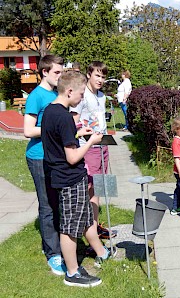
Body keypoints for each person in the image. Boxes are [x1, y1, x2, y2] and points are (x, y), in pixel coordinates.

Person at [41, 71, 114, 287]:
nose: (82, 98)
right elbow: (72, 157)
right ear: (70, 91)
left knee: (83, 219)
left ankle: (101, 252)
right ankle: (72, 273)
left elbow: (59, 140)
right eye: (81, 94)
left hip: (67, 176)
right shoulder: (63, 117)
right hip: (69, 178)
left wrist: (78, 132)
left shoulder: (51, 112)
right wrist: (91, 140)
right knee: (70, 227)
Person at [23, 54, 66, 275]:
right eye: (57, 72)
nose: (60, 76)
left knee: (58, 202)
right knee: (47, 205)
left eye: (62, 72)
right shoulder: (36, 97)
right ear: (44, 72)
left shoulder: (56, 95)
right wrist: (53, 128)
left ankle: (62, 245)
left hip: (56, 157)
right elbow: (28, 131)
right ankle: (53, 254)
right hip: (38, 157)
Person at [69, 61, 116, 240]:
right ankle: (90, 231)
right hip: (88, 148)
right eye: (97, 75)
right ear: (89, 74)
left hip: (103, 145)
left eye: (103, 77)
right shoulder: (82, 96)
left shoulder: (102, 96)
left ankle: (96, 226)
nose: (100, 80)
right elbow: (73, 123)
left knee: (101, 187)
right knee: (91, 188)